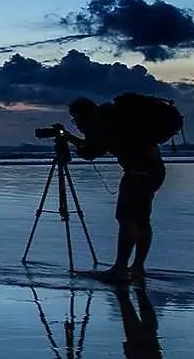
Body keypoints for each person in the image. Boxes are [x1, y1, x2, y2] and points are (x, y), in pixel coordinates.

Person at [64, 96, 164, 284]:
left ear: (85, 115)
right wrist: (74, 138)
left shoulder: (101, 124)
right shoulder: (114, 118)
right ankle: (137, 267)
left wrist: (69, 139)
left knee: (126, 219)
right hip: (155, 170)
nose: (76, 124)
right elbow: (96, 148)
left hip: (138, 173)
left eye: (76, 119)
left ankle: (119, 269)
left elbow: (90, 152)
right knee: (141, 220)